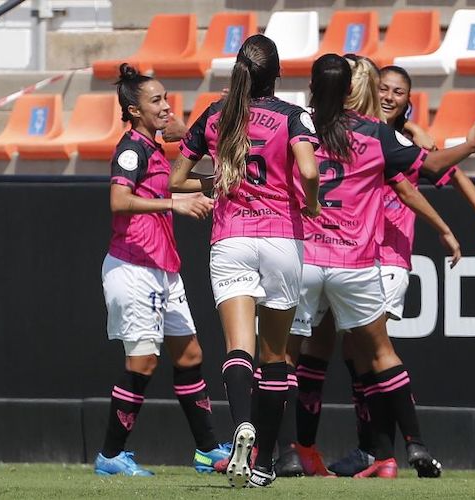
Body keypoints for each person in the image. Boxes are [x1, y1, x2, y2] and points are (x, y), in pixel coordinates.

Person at [286, 53, 475, 480]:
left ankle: (323, 449)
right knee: (364, 355)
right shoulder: (378, 137)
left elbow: (423, 179)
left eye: (397, 91)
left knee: (309, 354)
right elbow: (414, 180)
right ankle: (388, 449)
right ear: (361, 90)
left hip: (329, 256)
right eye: (381, 87)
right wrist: (449, 222)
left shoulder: (306, 127)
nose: (387, 95)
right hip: (357, 259)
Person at [168, 34, 321, 488]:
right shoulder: (294, 117)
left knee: (239, 349)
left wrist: (213, 184)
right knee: (276, 356)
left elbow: (177, 179)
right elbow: (309, 170)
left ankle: (240, 423)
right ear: (277, 75)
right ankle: (264, 462)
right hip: (280, 239)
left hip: (231, 238)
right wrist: (310, 202)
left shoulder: (216, 116)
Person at [95, 63, 230, 477]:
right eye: (156, 100)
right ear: (134, 111)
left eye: (166, 97)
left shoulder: (153, 149)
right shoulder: (132, 149)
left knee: (190, 354)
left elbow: (176, 182)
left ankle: (207, 450)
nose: (166, 106)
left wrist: (216, 180)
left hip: (163, 269)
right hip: (133, 267)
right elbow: (120, 200)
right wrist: (176, 203)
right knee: (143, 362)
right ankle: (111, 456)